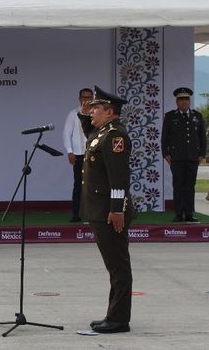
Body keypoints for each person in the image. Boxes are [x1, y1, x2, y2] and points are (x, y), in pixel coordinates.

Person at [81, 85, 134, 334]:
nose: (91, 112)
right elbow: (91, 137)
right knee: (113, 266)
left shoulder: (115, 137)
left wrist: (117, 209)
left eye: (95, 108)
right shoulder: (102, 133)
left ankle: (119, 319)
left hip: (109, 212)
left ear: (109, 111)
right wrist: (84, 116)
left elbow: (118, 177)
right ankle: (113, 314)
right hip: (99, 210)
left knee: (118, 266)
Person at [161, 87, 206, 223]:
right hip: (177, 158)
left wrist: (202, 154)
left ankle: (190, 213)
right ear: (176, 102)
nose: (184, 102)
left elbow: (202, 137)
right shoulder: (170, 116)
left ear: (189, 101)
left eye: (186, 99)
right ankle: (179, 213)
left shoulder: (197, 116)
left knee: (190, 187)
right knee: (178, 186)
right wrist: (166, 154)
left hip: (193, 157)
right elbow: (164, 137)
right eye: (181, 99)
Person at [63, 88, 93, 222]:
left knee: (94, 184)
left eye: (88, 97)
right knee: (79, 185)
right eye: (83, 97)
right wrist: (70, 151)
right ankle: (77, 214)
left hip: (94, 154)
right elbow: (66, 134)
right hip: (79, 154)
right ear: (79, 98)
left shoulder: (96, 113)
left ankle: (93, 213)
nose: (86, 100)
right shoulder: (73, 114)